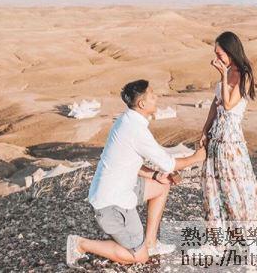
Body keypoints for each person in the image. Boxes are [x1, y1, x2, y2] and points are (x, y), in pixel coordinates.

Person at [66, 79, 206, 268]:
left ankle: (151, 243)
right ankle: (81, 244)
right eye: (152, 95)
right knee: (140, 258)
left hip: (119, 188)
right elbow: (169, 164)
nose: (156, 98)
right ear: (142, 104)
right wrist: (197, 157)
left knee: (162, 186)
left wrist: (154, 175)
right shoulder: (135, 130)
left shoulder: (125, 120)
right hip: (112, 204)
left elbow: (127, 162)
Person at [198, 31, 257, 257]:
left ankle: (249, 241)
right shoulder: (227, 73)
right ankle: (217, 241)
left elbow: (228, 105)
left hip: (230, 141)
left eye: (220, 54)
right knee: (212, 189)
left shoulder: (243, 74)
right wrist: (204, 130)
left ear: (230, 51)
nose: (217, 58)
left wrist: (223, 76)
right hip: (216, 137)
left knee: (236, 190)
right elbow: (216, 103)